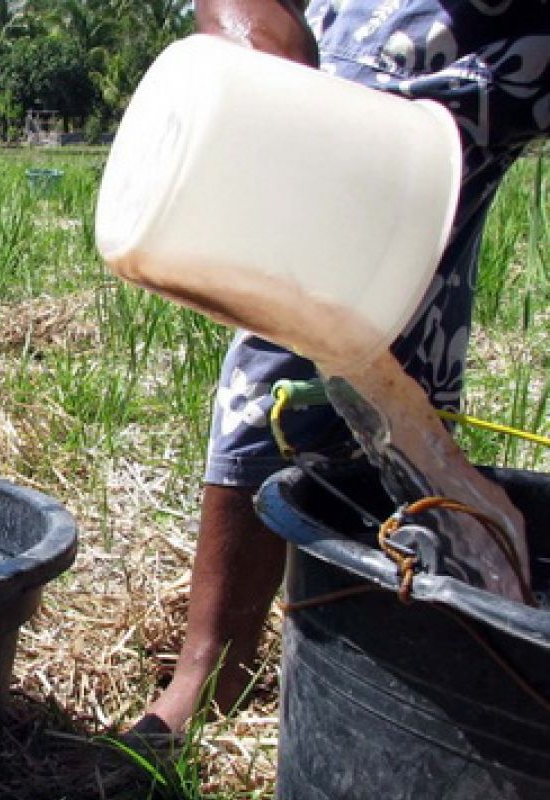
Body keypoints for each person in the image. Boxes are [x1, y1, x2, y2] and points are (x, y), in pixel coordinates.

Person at [132, 0, 550, 742]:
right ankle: (215, 665)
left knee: (405, 297)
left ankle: (421, 630)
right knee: (324, 264)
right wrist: (253, 50)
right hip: (413, 27)